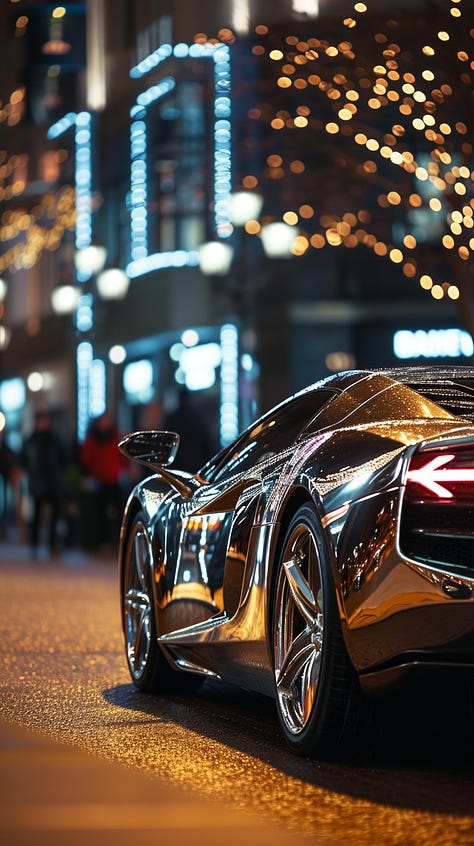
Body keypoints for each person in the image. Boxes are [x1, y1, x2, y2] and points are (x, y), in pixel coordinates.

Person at [21, 410, 66, 555]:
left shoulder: (55, 439)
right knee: (36, 516)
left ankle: (52, 545)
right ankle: (34, 544)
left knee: (55, 516)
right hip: (37, 483)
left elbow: (64, 459)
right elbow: (23, 461)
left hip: (54, 483)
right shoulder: (31, 440)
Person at [80, 412, 125, 552]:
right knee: (99, 513)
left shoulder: (116, 437)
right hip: (98, 481)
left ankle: (117, 541)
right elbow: (86, 459)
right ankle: (101, 541)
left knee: (119, 512)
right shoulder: (92, 439)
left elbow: (122, 457)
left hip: (114, 479)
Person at [162, 388, 213, 474]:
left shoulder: (172, 419)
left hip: (176, 468)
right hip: (196, 467)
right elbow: (206, 445)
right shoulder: (197, 418)